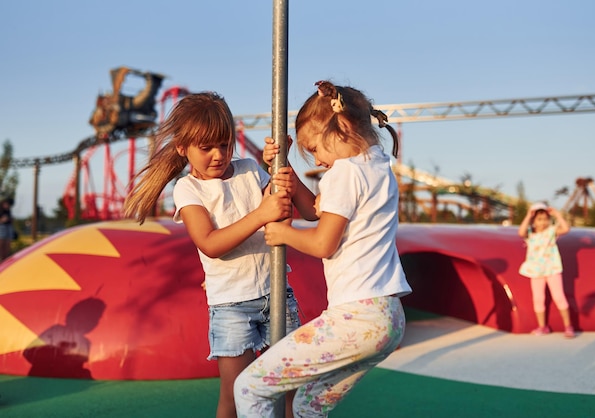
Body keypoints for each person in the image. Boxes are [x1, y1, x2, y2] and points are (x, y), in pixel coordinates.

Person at [124, 92, 317, 418]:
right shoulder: (189, 189)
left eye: (226, 145)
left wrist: (278, 167)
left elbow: (284, 214)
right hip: (231, 305)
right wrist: (260, 213)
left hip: (275, 293)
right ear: (183, 148)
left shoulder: (249, 170)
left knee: (289, 385)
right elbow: (210, 243)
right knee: (235, 392)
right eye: (207, 147)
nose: (219, 155)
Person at [234, 80, 412, 417]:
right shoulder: (377, 167)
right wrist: (285, 168)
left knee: (249, 387)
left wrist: (280, 234)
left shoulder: (344, 172)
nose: (316, 158)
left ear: (342, 127)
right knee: (307, 405)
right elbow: (316, 210)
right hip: (388, 319)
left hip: (355, 316)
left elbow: (322, 243)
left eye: (314, 148)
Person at [518, 202, 574, 338]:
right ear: (534, 221)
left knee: (559, 297)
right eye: (539, 219)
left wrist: (557, 215)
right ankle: (542, 327)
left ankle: (568, 326)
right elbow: (520, 232)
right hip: (536, 271)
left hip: (552, 268)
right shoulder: (530, 233)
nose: (542, 223)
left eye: (545, 219)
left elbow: (566, 229)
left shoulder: (551, 231)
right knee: (538, 299)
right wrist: (528, 216)